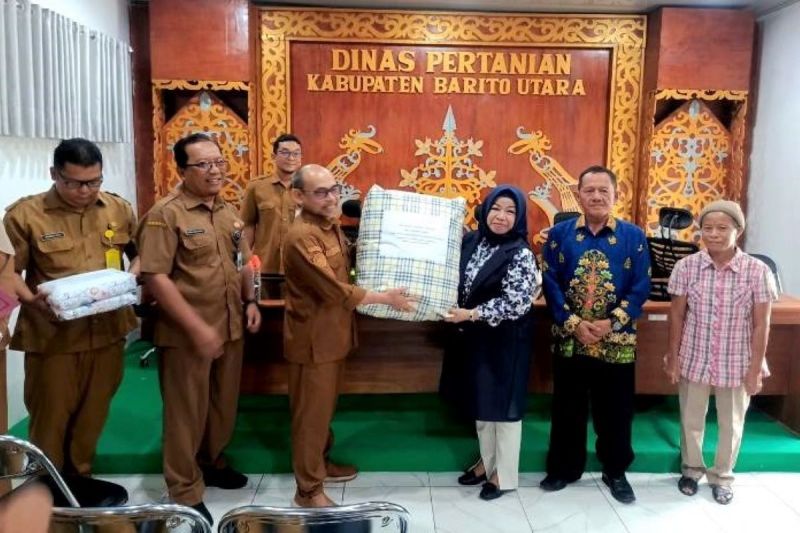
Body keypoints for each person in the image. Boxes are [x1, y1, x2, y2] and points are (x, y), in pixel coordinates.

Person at [3, 138, 138, 507]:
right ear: (54, 174)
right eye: (74, 183)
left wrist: (131, 279)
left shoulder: (117, 208)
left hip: (107, 332)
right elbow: (7, 273)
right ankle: (46, 492)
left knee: (92, 416)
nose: (85, 191)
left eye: (93, 182)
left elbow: (141, 254)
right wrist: (31, 301)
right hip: (54, 338)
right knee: (51, 419)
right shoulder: (25, 216)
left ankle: (80, 482)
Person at [136, 132, 261, 525]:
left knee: (222, 406)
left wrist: (251, 300)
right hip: (186, 335)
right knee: (185, 413)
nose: (214, 171)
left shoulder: (227, 210)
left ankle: (211, 462)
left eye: (219, 162)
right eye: (203, 164)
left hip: (230, 326)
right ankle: (184, 489)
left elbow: (243, 261)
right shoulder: (165, 214)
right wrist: (196, 328)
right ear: (182, 169)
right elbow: (155, 277)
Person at [282, 164, 415, 508]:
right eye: (321, 192)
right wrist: (385, 298)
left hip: (334, 336)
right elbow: (334, 290)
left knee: (323, 412)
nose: (331, 198)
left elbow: (350, 267)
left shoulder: (330, 227)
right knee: (310, 418)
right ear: (298, 196)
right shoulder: (301, 236)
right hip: (313, 343)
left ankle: (321, 465)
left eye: (334, 190)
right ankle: (308, 491)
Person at [539, 165, 650, 504]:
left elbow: (641, 284)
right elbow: (550, 282)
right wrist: (573, 322)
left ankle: (615, 471)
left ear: (616, 195)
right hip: (570, 338)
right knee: (567, 408)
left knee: (615, 411)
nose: (597, 196)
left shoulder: (633, 236)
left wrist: (611, 322)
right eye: (590, 190)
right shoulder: (559, 234)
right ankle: (564, 468)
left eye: (604, 190)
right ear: (579, 195)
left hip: (616, 339)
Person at [664, 200, 776, 505]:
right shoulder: (686, 267)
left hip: (737, 360)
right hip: (694, 355)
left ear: (738, 231)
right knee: (691, 419)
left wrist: (755, 368)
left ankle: (722, 476)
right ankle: (691, 470)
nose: (713, 234)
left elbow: (762, 324)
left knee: (731, 423)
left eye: (722, 228)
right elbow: (677, 316)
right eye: (708, 228)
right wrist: (673, 357)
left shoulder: (757, 271)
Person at [440, 185, 541, 501]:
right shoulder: (472, 241)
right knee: (483, 404)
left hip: (506, 341)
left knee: (504, 409)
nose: (501, 216)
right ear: (484, 210)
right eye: (496, 208)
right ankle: (486, 462)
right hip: (476, 339)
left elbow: (517, 303)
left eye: (510, 211)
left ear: (519, 217)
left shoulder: (520, 253)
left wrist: (471, 314)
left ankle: (504, 475)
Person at [241, 134, 303, 275]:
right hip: (266, 266)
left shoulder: (309, 187)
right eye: (285, 152)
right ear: (273, 156)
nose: (291, 158)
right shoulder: (256, 187)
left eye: (296, 154)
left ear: (301, 158)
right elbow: (248, 225)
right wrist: (244, 261)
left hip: (300, 266)